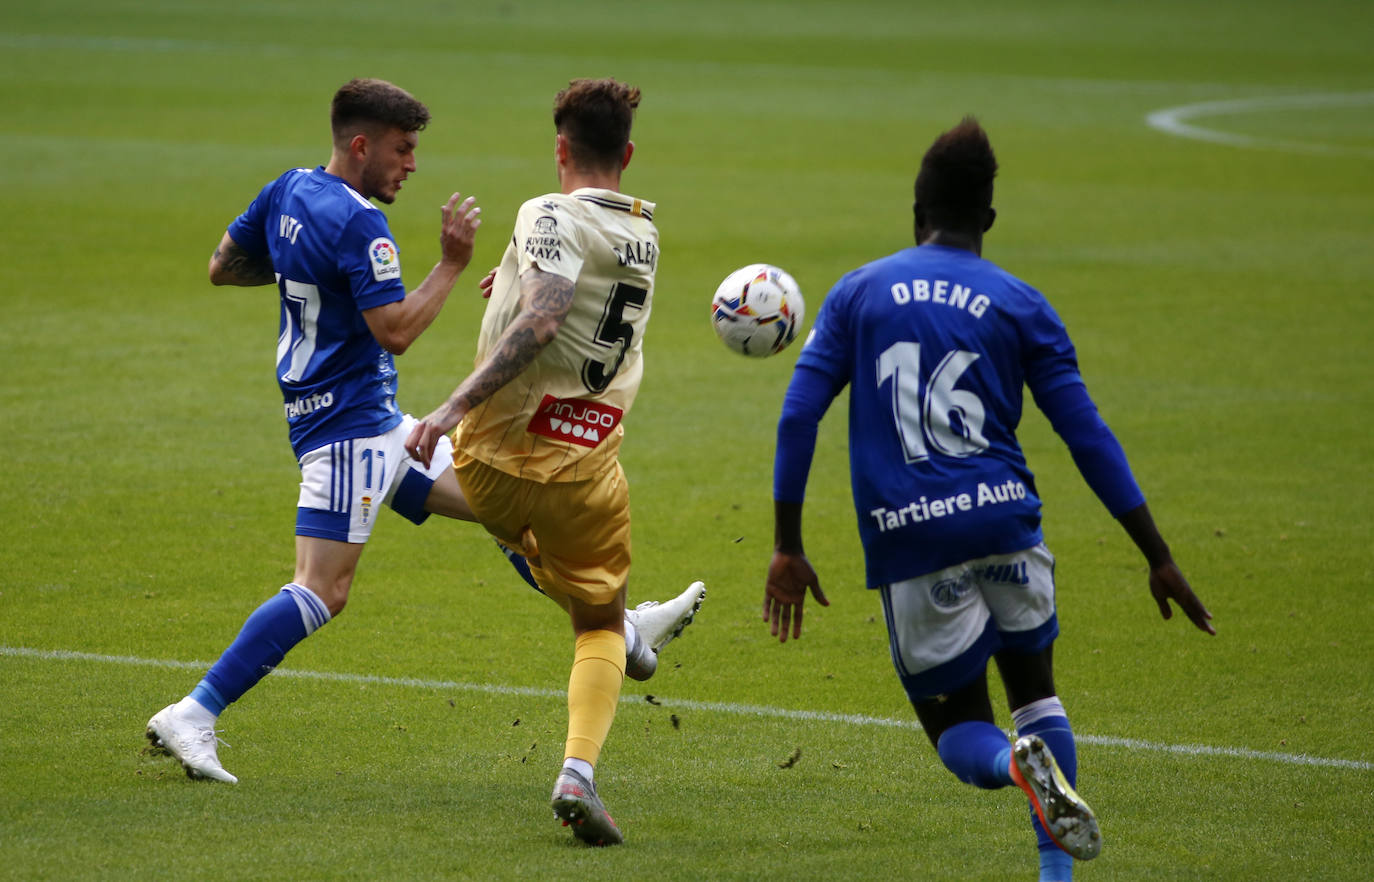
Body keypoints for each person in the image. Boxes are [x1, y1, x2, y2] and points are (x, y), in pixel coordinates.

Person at [145, 78, 701, 787]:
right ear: (360, 144)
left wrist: (308, 274)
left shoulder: (287, 190)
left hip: (376, 425)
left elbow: (225, 266)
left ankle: (620, 628)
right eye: (402, 151)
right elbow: (398, 331)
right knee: (322, 589)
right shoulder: (362, 227)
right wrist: (451, 264)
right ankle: (193, 712)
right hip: (345, 429)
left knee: (508, 511)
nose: (410, 165)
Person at [762, 116, 1214, 881]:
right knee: (1037, 695)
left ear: (915, 212)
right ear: (989, 220)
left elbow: (799, 415)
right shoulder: (1020, 301)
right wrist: (1158, 554)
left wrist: (787, 543)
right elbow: (1087, 434)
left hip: (913, 538)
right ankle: (1056, 872)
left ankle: (1012, 766)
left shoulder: (857, 294)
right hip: (1008, 521)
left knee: (959, 733)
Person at [406, 77, 703, 847]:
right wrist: (510, 279)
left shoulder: (547, 210)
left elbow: (543, 318)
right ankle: (579, 768)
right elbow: (562, 299)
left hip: (492, 467)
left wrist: (448, 408)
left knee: (414, 471)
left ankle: (634, 632)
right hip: (588, 471)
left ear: (560, 148)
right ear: (628, 154)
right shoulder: (644, 230)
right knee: (597, 622)